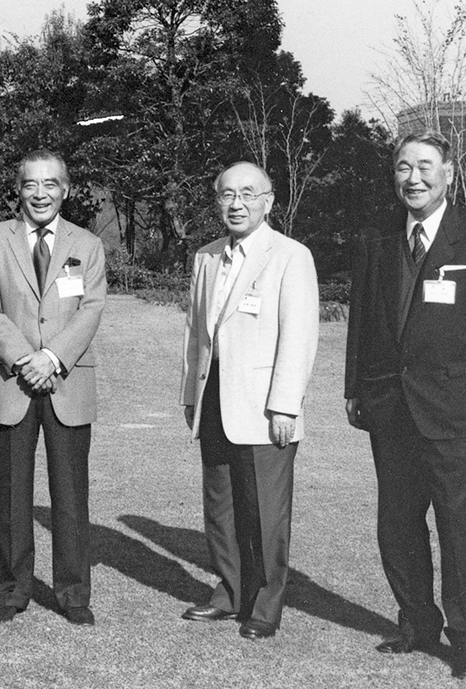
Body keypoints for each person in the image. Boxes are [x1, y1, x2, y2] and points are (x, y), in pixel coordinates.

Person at [344, 131, 466, 680]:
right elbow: (362, 319)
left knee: (460, 524)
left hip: (451, 405)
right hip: (388, 404)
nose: (413, 178)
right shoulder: (376, 237)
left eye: (424, 166)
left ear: (448, 172)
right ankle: (417, 622)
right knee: (397, 521)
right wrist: (354, 387)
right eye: (402, 167)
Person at [179, 162, 319, 640]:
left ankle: (265, 604)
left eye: (247, 194)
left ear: (268, 201)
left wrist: (286, 405)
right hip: (214, 400)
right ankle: (230, 590)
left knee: (265, 512)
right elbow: (195, 333)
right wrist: (190, 395)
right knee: (220, 506)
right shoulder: (206, 257)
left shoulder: (291, 256)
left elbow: (299, 336)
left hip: (264, 407)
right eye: (227, 195)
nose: (236, 204)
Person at [0, 149, 105, 626]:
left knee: (70, 494)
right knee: (11, 492)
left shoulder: (87, 243)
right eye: (31, 184)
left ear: (65, 189)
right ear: (18, 189)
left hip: (68, 381)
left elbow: (91, 307)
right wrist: (26, 360)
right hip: (12, 381)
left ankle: (74, 592)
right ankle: (11, 589)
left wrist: (51, 359)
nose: (41, 193)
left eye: (51, 184)